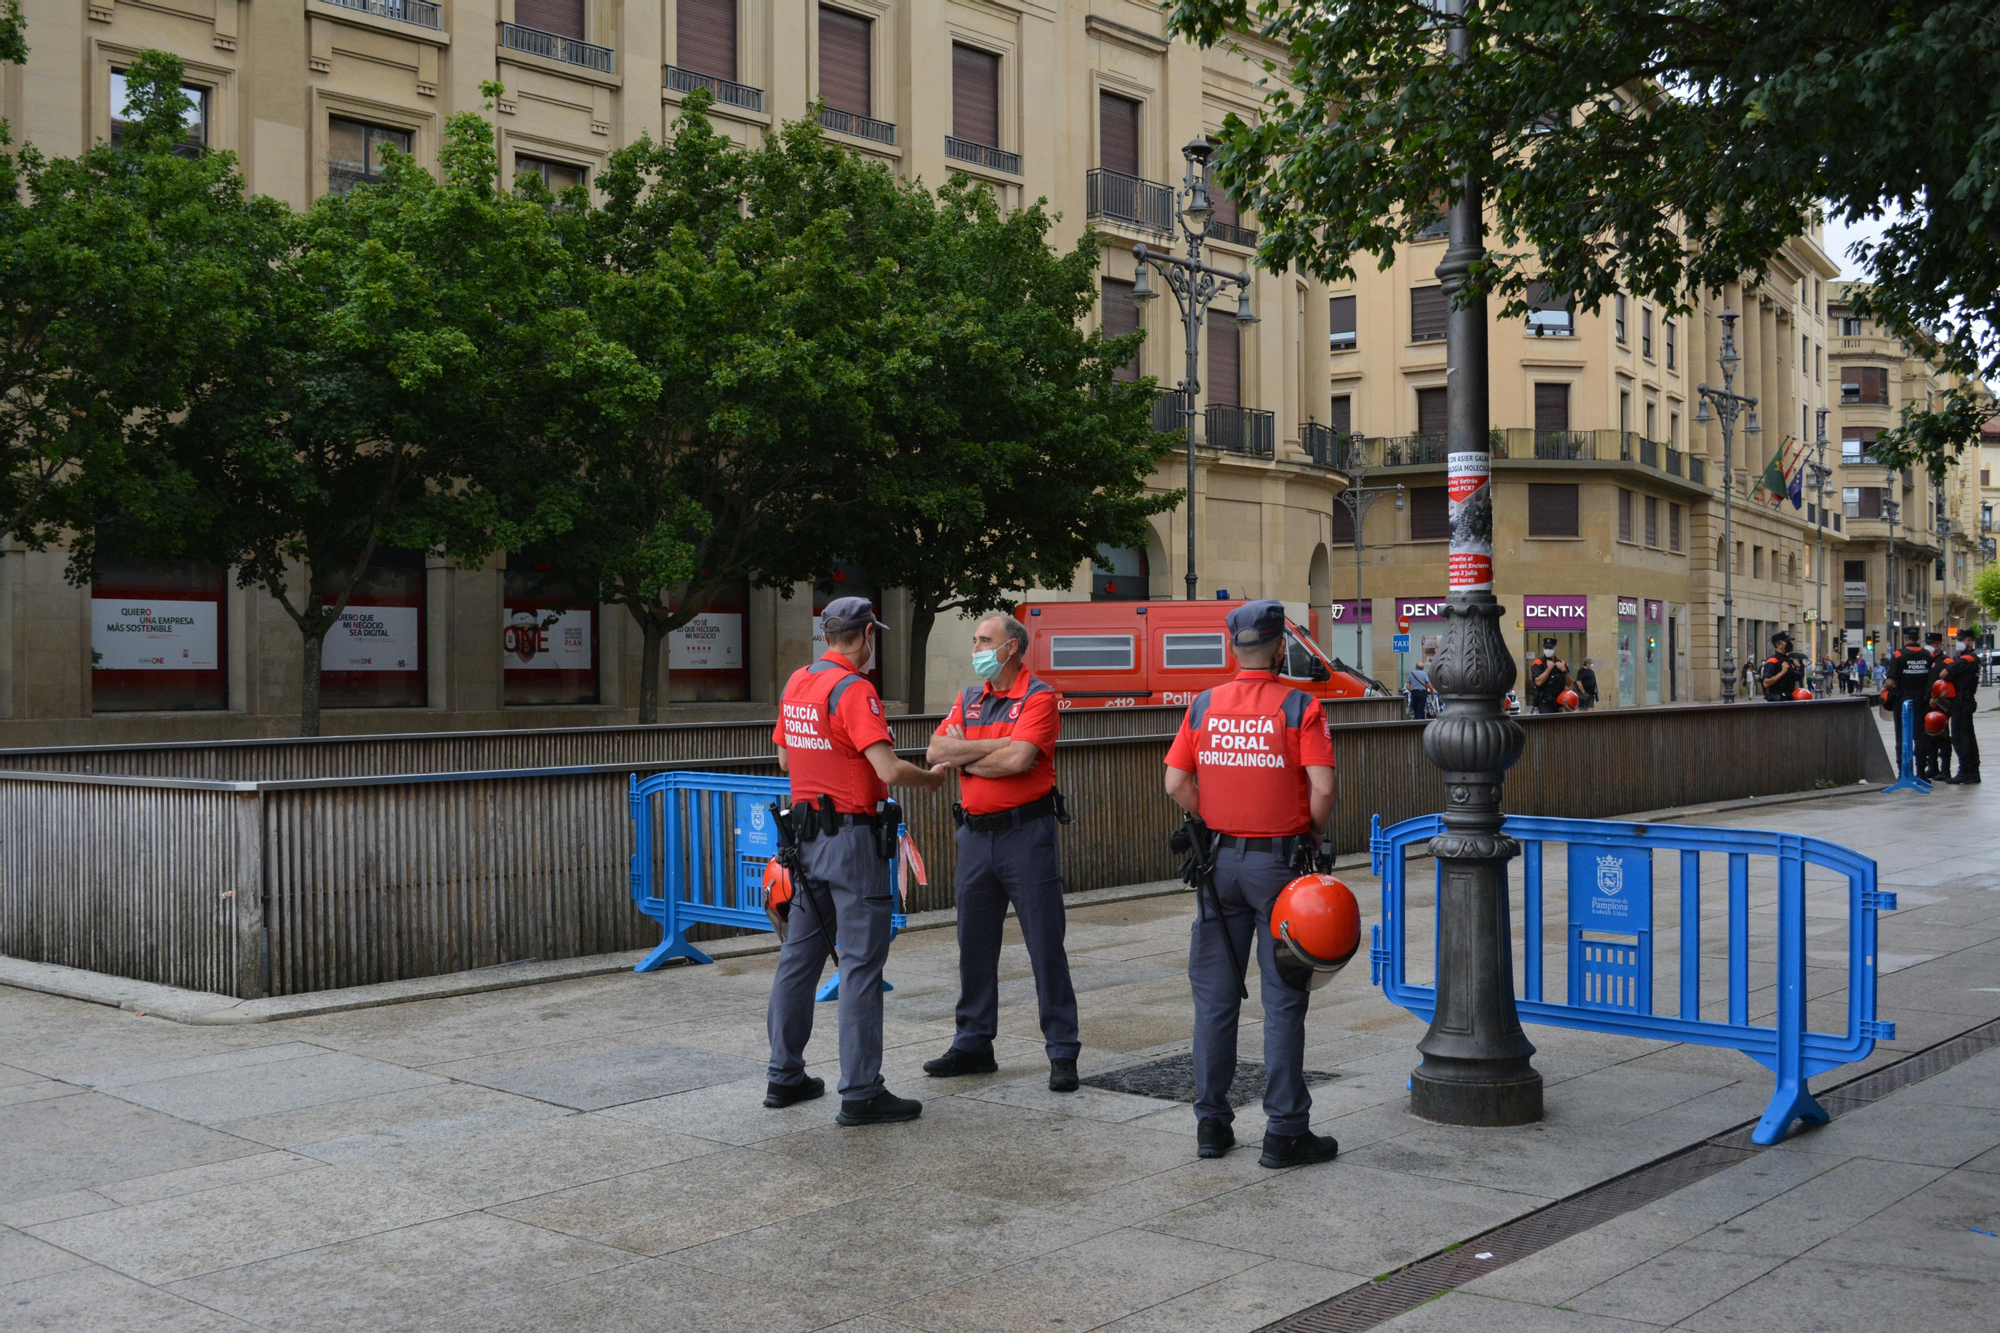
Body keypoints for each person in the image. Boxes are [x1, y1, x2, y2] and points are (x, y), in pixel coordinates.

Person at [1164, 600, 1338, 1170]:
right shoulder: (1300, 705)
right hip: (1280, 868)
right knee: (1283, 1000)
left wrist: (1214, 819)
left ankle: (1212, 1125)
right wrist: (1312, 832)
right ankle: (1284, 1132)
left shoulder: (1204, 703)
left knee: (1215, 1000)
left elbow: (1175, 781)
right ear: (1280, 647)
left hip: (1218, 868)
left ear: (1232, 648)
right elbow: (1323, 788)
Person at [765, 597, 949, 1126]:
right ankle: (862, 1091)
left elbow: (784, 758)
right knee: (862, 964)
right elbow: (887, 770)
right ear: (867, 634)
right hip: (852, 841)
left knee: (798, 960)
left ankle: (784, 1076)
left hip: (806, 843)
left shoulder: (799, 681)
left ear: (827, 635)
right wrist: (931, 779)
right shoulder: (854, 689)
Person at [923, 613, 1082, 1092]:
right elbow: (935, 752)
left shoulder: (1039, 697)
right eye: (975, 640)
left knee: (1045, 944)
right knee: (973, 944)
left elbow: (1019, 759)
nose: (975, 649)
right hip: (974, 837)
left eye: (983, 641)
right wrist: (993, 747)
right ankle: (973, 1043)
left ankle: (1062, 1051)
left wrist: (967, 754)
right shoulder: (969, 697)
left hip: (1025, 836)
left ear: (1010, 648)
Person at [1882, 627, 1935, 775]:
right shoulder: (1928, 654)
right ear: (1918, 637)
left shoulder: (1898, 655)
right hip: (1922, 699)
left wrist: (1884, 688)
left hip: (1903, 699)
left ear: (1905, 638)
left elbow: (1891, 681)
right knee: (1920, 736)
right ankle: (1921, 772)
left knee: (1902, 736)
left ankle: (1903, 772)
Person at [1942, 630, 1982, 784]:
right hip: (1967, 700)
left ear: (1970, 642)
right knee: (1969, 736)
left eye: (1962, 640)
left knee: (1960, 737)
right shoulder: (1973, 658)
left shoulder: (1966, 659)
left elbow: (1944, 674)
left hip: (1961, 701)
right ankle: (1973, 772)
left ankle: (1965, 771)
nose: (1958, 643)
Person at [1527, 639, 1570, 713]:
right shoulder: (1538, 663)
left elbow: (1570, 683)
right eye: (1546, 648)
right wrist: (1549, 668)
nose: (1548, 650)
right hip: (1545, 701)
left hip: (1560, 700)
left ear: (1555, 648)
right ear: (1543, 648)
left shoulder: (1562, 663)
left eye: (1551, 648)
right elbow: (1538, 682)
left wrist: (1564, 671)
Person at [1758, 632, 1801, 702]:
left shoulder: (1788, 660)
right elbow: (1766, 683)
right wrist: (1782, 672)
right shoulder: (1772, 661)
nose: (1789, 644)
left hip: (1789, 698)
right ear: (1779, 644)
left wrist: (1796, 669)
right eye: (1786, 642)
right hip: (1777, 701)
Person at [1405, 655, 1435, 719]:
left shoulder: (1411, 673)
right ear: (1423, 668)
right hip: (1422, 693)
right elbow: (1429, 685)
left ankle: (1416, 718)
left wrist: (1411, 690)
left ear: (1416, 667)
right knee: (1421, 707)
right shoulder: (1424, 674)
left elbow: (1407, 685)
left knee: (1415, 707)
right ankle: (1419, 720)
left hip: (1414, 692)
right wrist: (1432, 693)